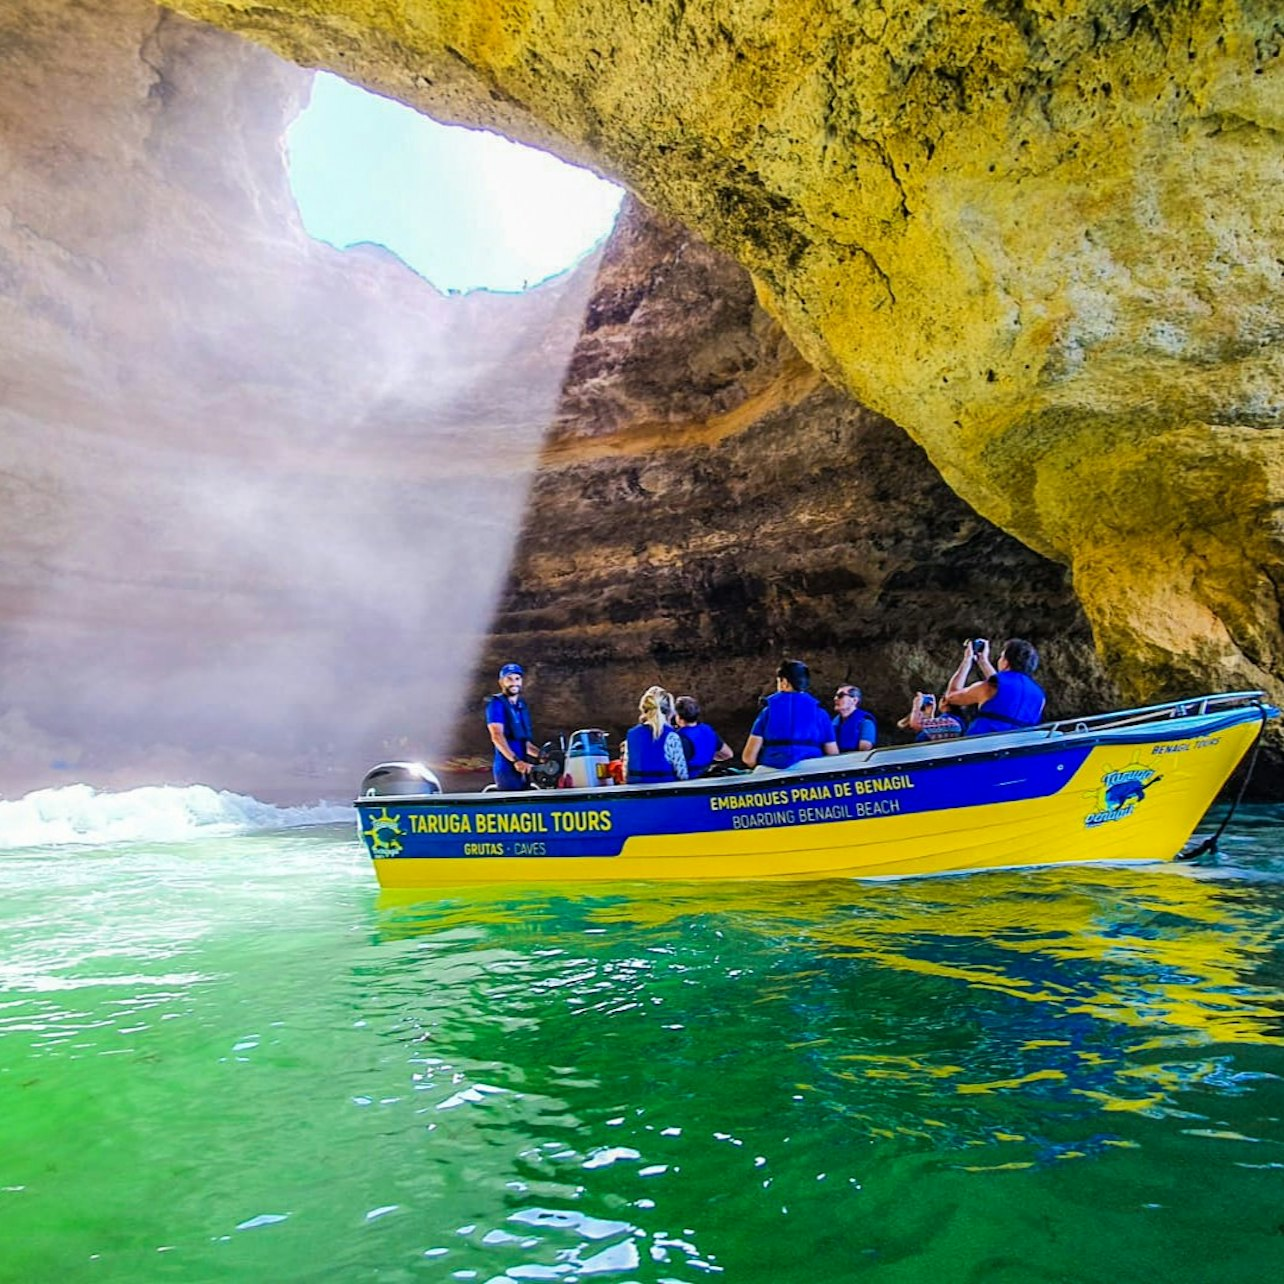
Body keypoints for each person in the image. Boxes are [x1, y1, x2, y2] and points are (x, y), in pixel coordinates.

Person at [742, 659, 839, 770]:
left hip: (772, 772)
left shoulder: (767, 712)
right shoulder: (821, 714)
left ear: (784, 682)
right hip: (811, 773)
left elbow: (748, 757)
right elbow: (833, 754)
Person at [945, 638, 1046, 736]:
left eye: (1002, 657)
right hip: (1018, 747)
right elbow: (1004, 693)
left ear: (1006, 663)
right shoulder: (1040, 696)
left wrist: (967, 661)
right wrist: (983, 661)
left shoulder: (988, 688)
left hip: (983, 745)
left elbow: (951, 697)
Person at [485, 662, 538, 790]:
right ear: (501, 682)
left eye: (517, 679)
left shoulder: (521, 706)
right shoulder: (496, 704)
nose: (514, 682)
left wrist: (542, 755)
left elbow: (523, 743)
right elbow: (497, 736)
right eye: (509, 679)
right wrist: (515, 761)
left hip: (523, 768)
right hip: (507, 768)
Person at [625, 686, 689, 784]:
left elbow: (625, 771)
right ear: (669, 711)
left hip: (637, 795)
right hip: (666, 795)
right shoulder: (671, 737)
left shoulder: (631, 736)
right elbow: (682, 775)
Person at [673, 695, 734, 776]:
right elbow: (728, 754)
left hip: (690, 781)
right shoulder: (707, 730)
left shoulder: (678, 737)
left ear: (678, 717)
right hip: (708, 776)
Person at [896, 691, 966, 742]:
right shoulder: (957, 720)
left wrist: (917, 704)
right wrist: (929, 712)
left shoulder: (948, 721)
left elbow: (916, 724)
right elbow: (932, 731)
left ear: (945, 703)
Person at [832, 685, 877, 751]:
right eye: (836, 695)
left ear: (854, 700)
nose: (835, 698)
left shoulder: (866, 723)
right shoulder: (832, 724)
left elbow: (864, 751)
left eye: (840, 695)